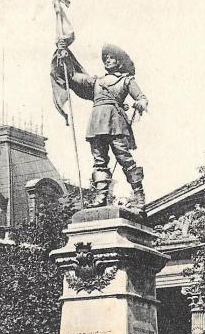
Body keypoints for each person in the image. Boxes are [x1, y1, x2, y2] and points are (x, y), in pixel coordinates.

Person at [55, 42, 148, 210]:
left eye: (112, 57)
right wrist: (64, 54)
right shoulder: (96, 81)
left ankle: (139, 196)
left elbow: (141, 97)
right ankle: (101, 196)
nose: (108, 60)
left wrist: (140, 104)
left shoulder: (126, 80)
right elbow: (72, 75)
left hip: (116, 123)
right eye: (106, 58)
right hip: (97, 123)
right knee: (99, 161)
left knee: (125, 159)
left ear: (119, 61)